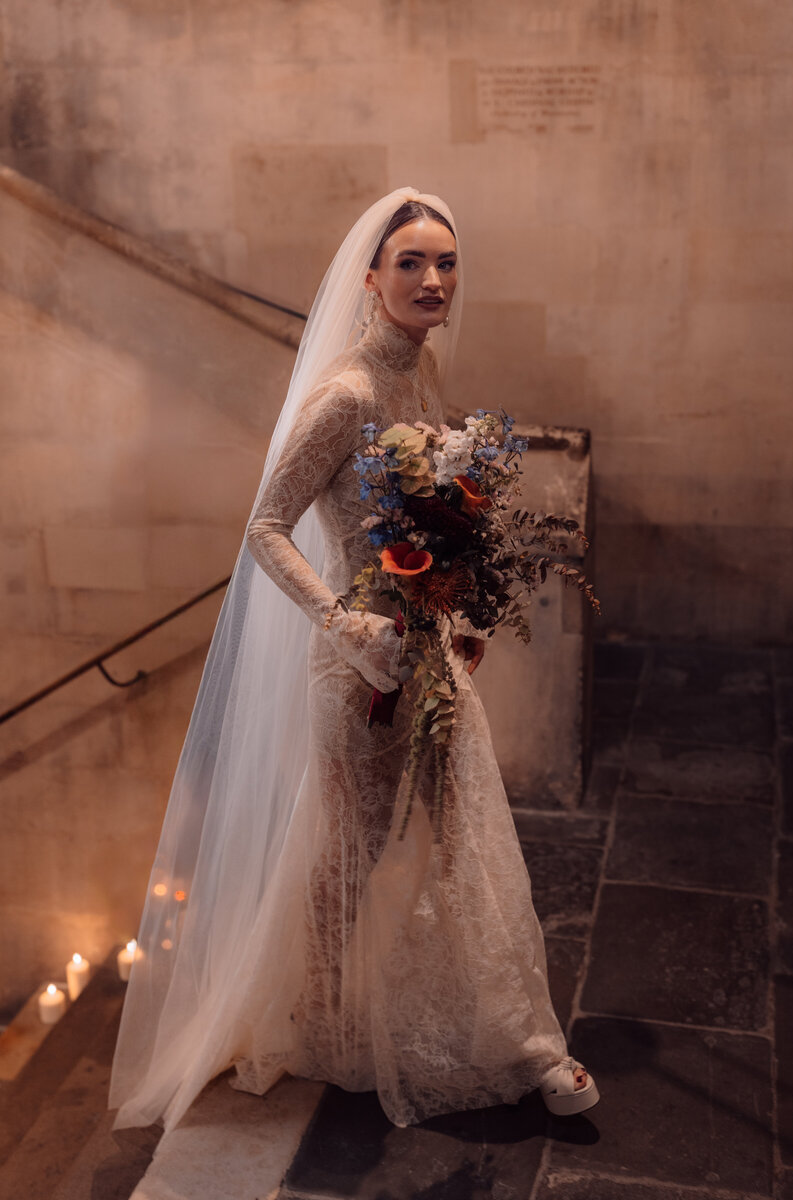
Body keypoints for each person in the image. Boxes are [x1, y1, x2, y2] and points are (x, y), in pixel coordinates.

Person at [109, 187, 598, 1137]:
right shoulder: (349, 394)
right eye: (410, 262)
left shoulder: (419, 377)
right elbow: (266, 526)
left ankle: (511, 1033)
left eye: (446, 262)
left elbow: (429, 525)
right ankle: (336, 1027)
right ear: (370, 280)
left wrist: (459, 602)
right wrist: (341, 622)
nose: (432, 279)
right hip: (362, 668)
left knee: (460, 850)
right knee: (351, 856)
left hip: (428, 653)